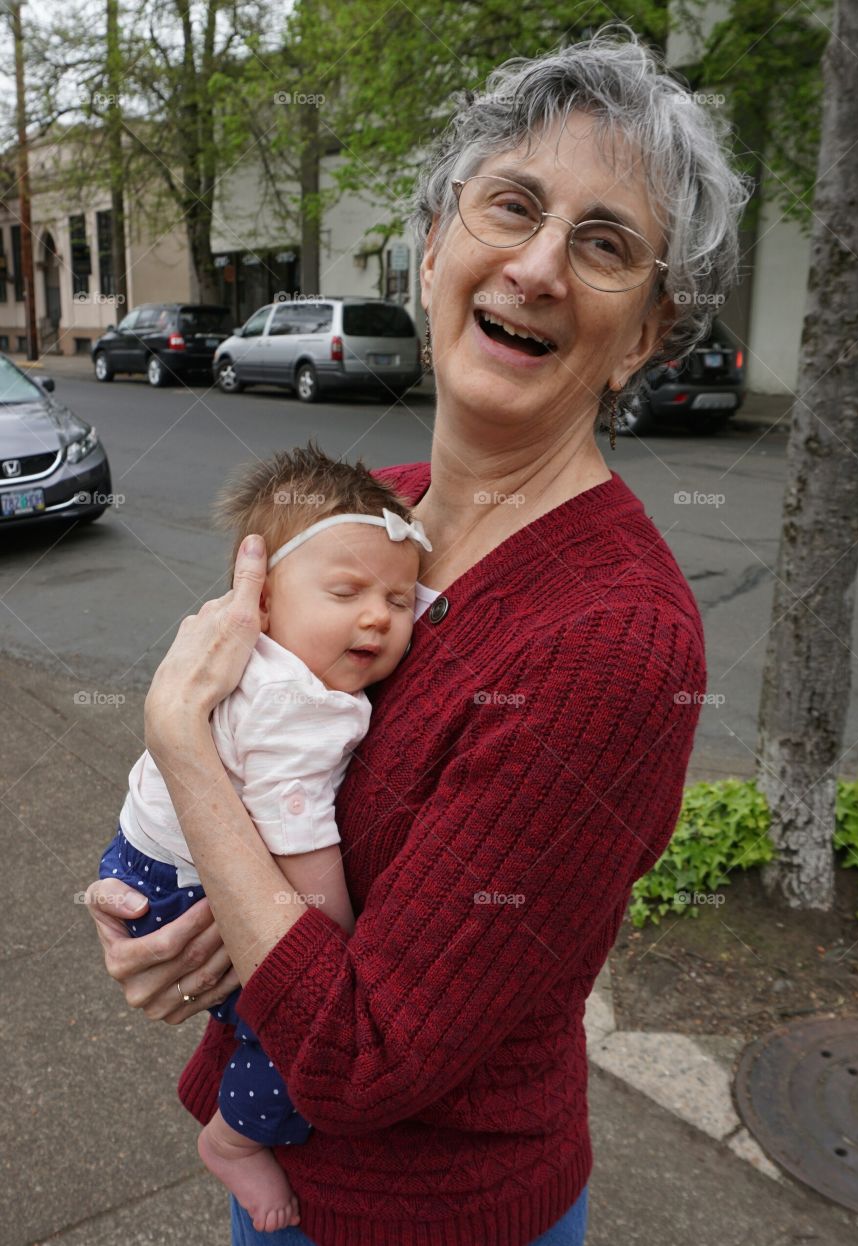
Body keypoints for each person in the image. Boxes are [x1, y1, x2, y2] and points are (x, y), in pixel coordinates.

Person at [87, 25, 749, 1246]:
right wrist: (162, 900)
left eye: (604, 245)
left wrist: (178, 743)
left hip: (434, 1219)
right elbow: (251, 742)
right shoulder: (358, 519)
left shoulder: (614, 644)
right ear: (436, 238)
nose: (539, 265)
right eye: (512, 206)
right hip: (277, 1183)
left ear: (648, 335)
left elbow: (366, 1053)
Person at [97, 446, 428, 1232]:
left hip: (138, 860)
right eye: (346, 593)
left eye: (405, 599)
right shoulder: (297, 704)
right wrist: (335, 934)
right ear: (263, 602)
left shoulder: (252, 661)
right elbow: (298, 835)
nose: (378, 616)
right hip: (179, 892)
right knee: (295, 1032)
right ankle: (236, 1140)